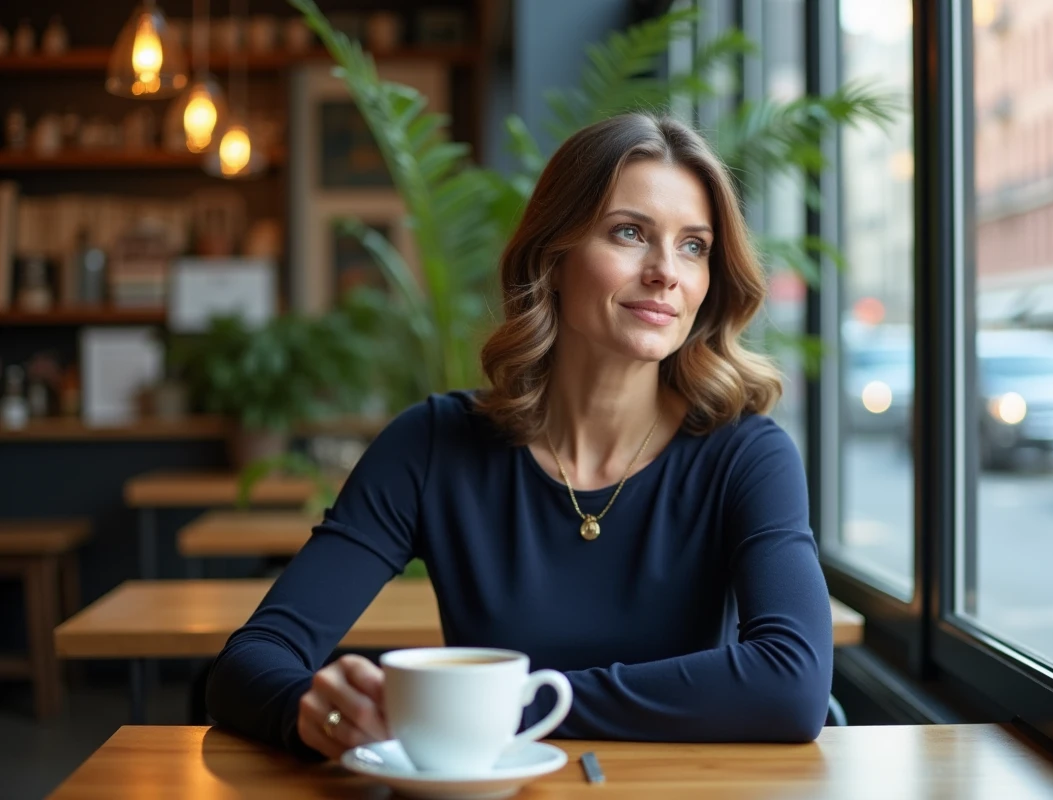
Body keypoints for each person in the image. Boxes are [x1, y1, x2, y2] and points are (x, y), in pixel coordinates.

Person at [206, 112, 834, 761]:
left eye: (694, 245)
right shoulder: (432, 446)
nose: (666, 272)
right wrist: (317, 714)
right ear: (551, 259)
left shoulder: (747, 455)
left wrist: (494, 708)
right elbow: (247, 665)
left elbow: (792, 685)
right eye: (629, 233)